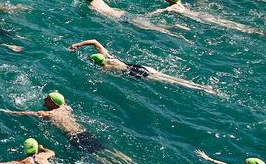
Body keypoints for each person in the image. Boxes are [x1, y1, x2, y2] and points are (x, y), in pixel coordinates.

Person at [0, 90, 145, 164]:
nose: (44, 99)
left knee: (98, 156)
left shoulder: (49, 114)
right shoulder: (65, 108)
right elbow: (61, 101)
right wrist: (55, 92)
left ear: (52, 103)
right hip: (84, 132)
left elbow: (26, 113)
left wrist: (7, 111)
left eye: (47, 98)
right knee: (106, 150)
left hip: (74, 137)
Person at [69, 39, 218, 95]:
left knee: (172, 82)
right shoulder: (109, 57)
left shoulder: (104, 68)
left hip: (136, 74)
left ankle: (201, 88)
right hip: (140, 67)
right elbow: (95, 41)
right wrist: (78, 44)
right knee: (171, 77)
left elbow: (96, 80)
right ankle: (201, 86)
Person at [55, 0, 182, 36]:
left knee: (148, 27)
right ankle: (173, 26)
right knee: (145, 22)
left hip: (119, 18)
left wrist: (119, 26)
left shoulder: (92, 6)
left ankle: (173, 33)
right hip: (121, 12)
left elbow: (105, 16)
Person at [145, 0, 261, 34]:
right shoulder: (179, 3)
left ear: (169, 0)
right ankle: (249, 29)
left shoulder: (173, 7)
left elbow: (162, 10)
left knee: (223, 24)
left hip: (200, 18)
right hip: (200, 14)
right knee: (223, 21)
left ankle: (250, 31)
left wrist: (149, 14)